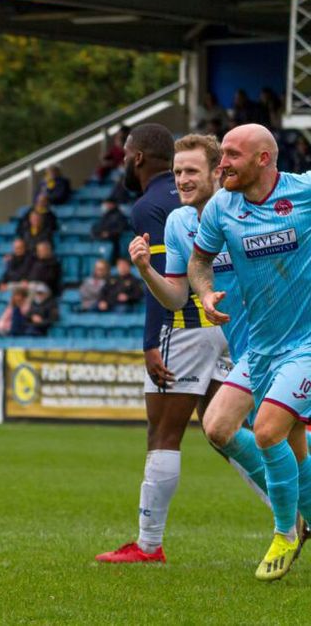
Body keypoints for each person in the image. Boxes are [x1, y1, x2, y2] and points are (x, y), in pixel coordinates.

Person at [95, 124, 230, 566]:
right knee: (235, 434)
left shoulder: (151, 206)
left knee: (163, 435)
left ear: (135, 158)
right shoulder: (223, 205)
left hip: (186, 327)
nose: (183, 180)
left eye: (191, 170)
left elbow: (169, 284)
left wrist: (151, 342)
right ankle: (291, 518)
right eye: (178, 171)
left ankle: (149, 544)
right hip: (230, 327)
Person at [189, 123, 311, 580]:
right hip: (260, 347)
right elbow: (200, 260)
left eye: (232, 156)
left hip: (306, 344)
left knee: (266, 432)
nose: (223, 164)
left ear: (264, 159)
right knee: (218, 425)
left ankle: (285, 533)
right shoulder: (222, 205)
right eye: (221, 155)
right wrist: (204, 293)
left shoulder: (303, 193)